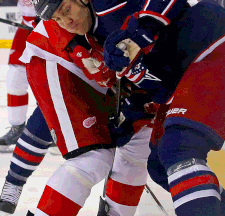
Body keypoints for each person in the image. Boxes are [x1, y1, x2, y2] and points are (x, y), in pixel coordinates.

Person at [31, 0, 225, 215]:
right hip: (187, 76)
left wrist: (144, 26)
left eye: (65, 8)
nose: (66, 21)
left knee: (178, 149)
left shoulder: (105, 4)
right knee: (160, 164)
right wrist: (132, 113)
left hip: (214, 48)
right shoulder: (95, 41)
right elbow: (158, 85)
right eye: (58, 19)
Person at [16, 7, 159, 214]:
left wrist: (136, 105)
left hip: (106, 75)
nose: (65, 20)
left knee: (138, 145)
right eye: (59, 16)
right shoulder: (90, 16)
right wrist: (76, 45)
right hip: (58, 58)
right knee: (93, 158)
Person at [0, 0, 37, 152]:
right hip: (26, 29)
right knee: (15, 79)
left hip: (51, 28)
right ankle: (17, 127)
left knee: (48, 80)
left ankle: (52, 127)